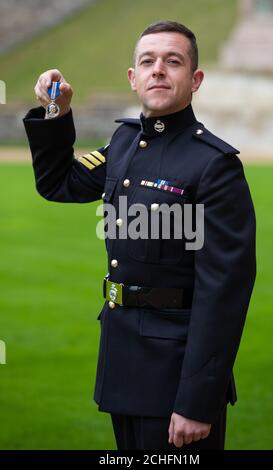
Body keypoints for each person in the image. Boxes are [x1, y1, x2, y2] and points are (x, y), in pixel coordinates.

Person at [23, 20, 256, 450]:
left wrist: (197, 402)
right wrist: (56, 110)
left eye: (173, 61)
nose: (158, 70)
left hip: (175, 379)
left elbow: (224, 294)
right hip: (123, 362)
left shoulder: (214, 165)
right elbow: (59, 183)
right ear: (133, 79)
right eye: (147, 61)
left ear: (195, 79)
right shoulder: (126, 142)